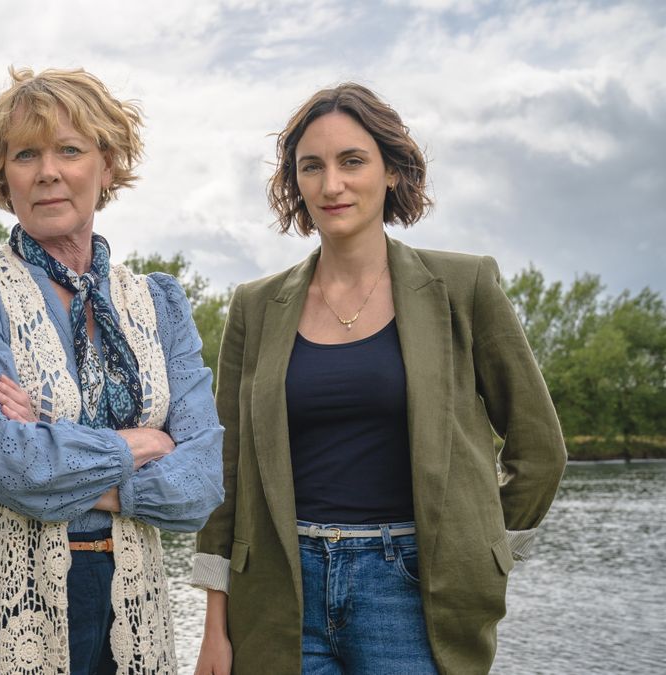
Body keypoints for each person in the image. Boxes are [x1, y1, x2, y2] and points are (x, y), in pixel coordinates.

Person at [191, 83, 567, 674]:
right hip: (278, 596)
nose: (331, 184)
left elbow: (540, 449)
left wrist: (486, 553)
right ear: (296, 183)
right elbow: (227, 472)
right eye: (311, 167)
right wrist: (216, 626)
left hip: (412, 593)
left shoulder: (464, 288)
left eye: (352, 161)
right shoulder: (255, 306)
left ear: (392, 171)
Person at [0, 67, 224, 675]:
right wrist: (144, 443)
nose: (47, 171)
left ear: (106, 166)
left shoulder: (159, 301)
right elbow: (12, 463)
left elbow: (205, 482)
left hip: (135, 603)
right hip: (5, 607)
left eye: (70, 150)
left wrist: (53, 443)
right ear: (3, 176)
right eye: (25, 154)